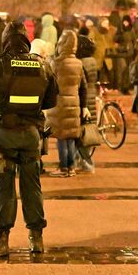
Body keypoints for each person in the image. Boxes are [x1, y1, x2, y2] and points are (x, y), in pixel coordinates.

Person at [0, 22, 58, 256]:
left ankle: (1, 240)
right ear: (26, 40)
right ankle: (36, 239)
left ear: (5, 40)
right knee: (33, 187)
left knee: (4, 186)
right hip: (31, 135)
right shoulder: (41, 65)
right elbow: (51, 101)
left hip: (4, 133)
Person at [46, 30, 87, 177]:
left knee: (61, 138)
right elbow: (84, 86)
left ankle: (63, 167)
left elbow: (48, 82)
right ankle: (72, 167)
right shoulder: (78, 64)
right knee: (70, 137)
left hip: (59, 103)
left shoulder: (56, 63)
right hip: (74, 103)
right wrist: (84, 106)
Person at [75, 35, 97, 173]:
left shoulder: (81, 63)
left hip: (85, 99)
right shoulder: (92, 61)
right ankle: (82, 161)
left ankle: (87, 164)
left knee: (82, 132)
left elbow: (81, 85)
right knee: (86, 131)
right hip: (92, 97)